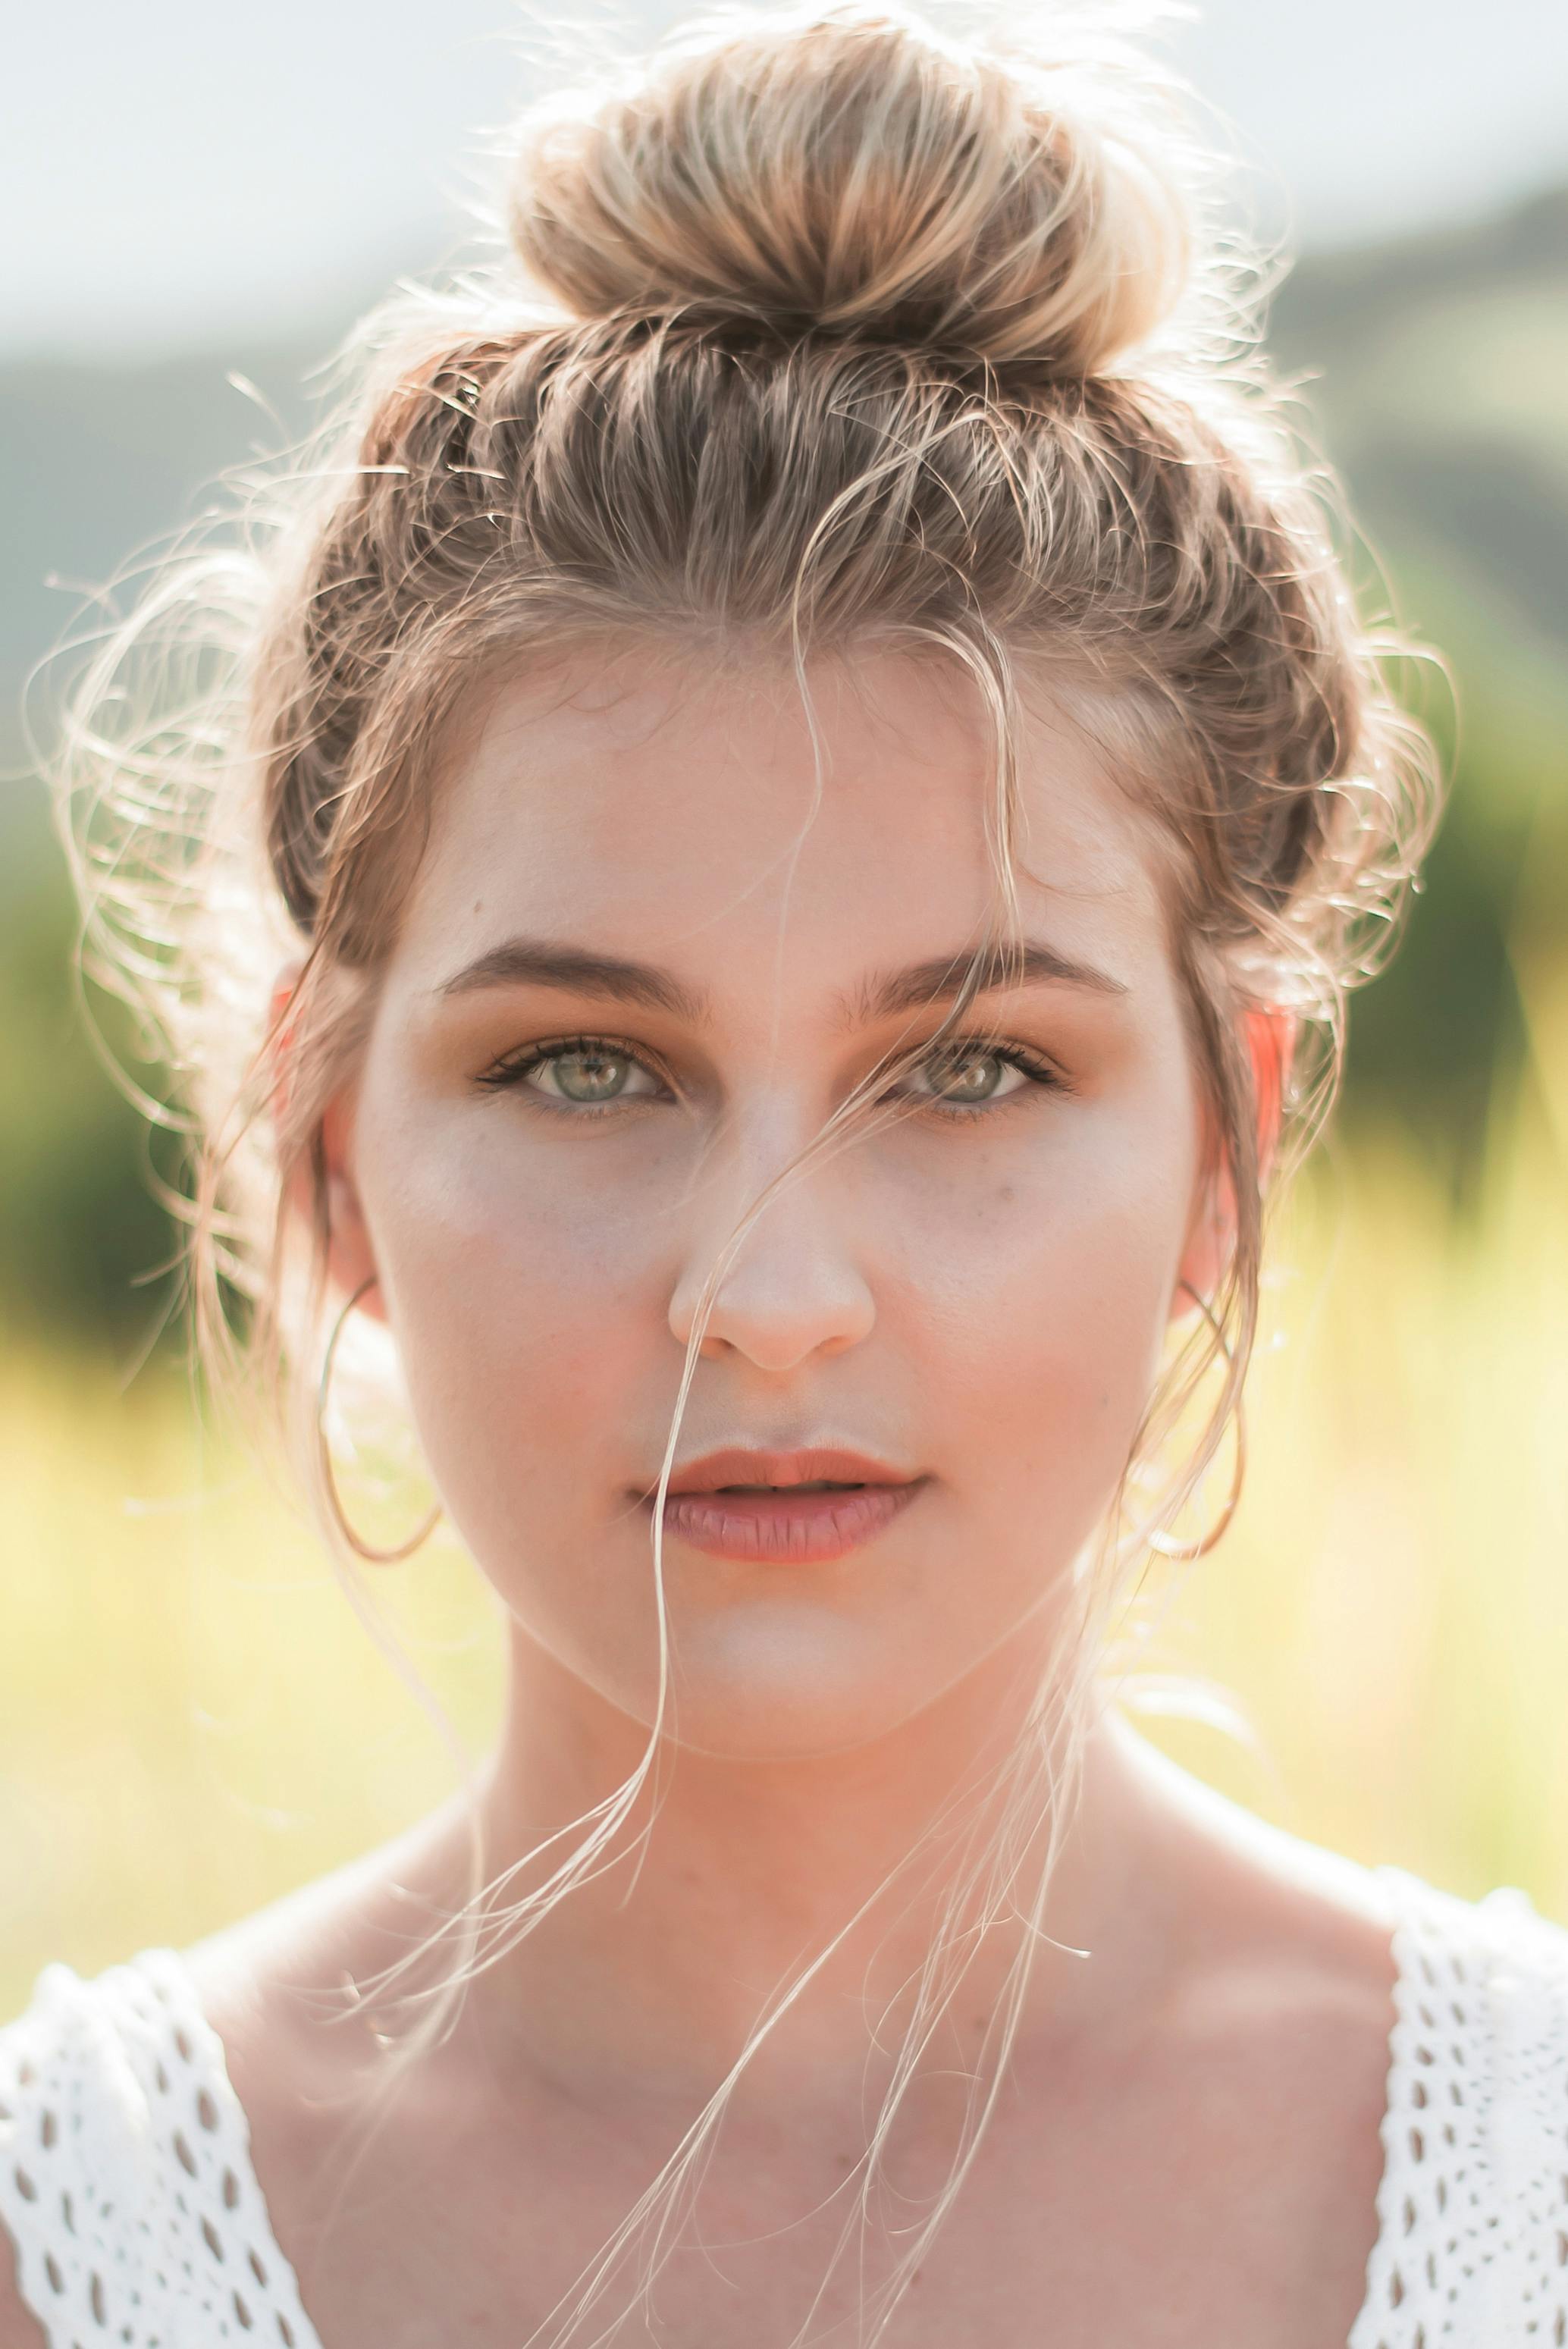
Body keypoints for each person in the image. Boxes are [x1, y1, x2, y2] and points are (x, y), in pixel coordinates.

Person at [3, 5, 1565, 2344]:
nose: (770, 1293)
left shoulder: (1520, 2194)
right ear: (330, 1156)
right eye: (581, 1066)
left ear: (1228, 1153)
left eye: (965, 1070)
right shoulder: (71, 2247)